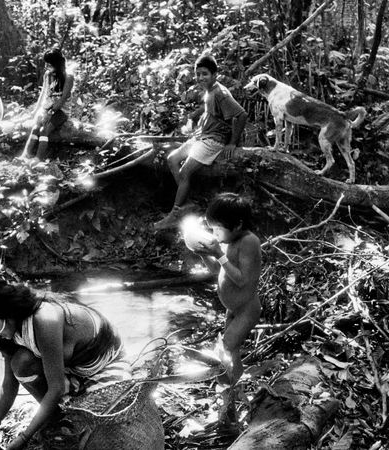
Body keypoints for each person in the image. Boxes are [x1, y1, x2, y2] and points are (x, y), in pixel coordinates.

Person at [0, 279, 130, 450]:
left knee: (99, 422)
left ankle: (59, 418)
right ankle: (56, 418)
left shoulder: (45, 319)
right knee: (21, 363)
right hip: (72, 370)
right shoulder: (10, 333)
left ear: (5, 313)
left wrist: (23, 438)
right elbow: (8, 386)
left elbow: (57, 388)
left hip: (104, 366)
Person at [189, 193, 261, 421]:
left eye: (218, 230)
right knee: (227, 349)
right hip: (233, 307)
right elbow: (219, 272)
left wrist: (218, 254)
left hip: (247, 308)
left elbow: (242, 280)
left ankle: (239, 394)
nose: (215, 235)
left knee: (228, 346)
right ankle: (231, 389)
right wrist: (205, 256)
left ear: (238, 224)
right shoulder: (229, 241)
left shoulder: (249, 242)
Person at [154, 55, 247, 230]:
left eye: (205, 74)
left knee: (184, 172)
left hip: (214, 140)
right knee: (172, 159)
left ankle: (175, 213)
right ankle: (187, 202)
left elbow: (241, 115)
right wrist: (192, 117)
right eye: (198, 74)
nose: (200, 78)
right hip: (202, 136)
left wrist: (232, 143)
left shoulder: (221, 93)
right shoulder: (210, 90)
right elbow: (208, 109)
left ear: (215, 75)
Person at [20, 48, 74, 160]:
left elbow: (62, 100)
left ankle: (38, 159)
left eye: (49, 64)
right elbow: (43, 94)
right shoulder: (47, 75)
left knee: (44, 130)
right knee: (35, 128)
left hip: (60, 111)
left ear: (57, 64)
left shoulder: (68, 77)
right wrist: (36, 111)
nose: (46, 67)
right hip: (47, 108)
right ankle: (25, 155)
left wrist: (49, 114)